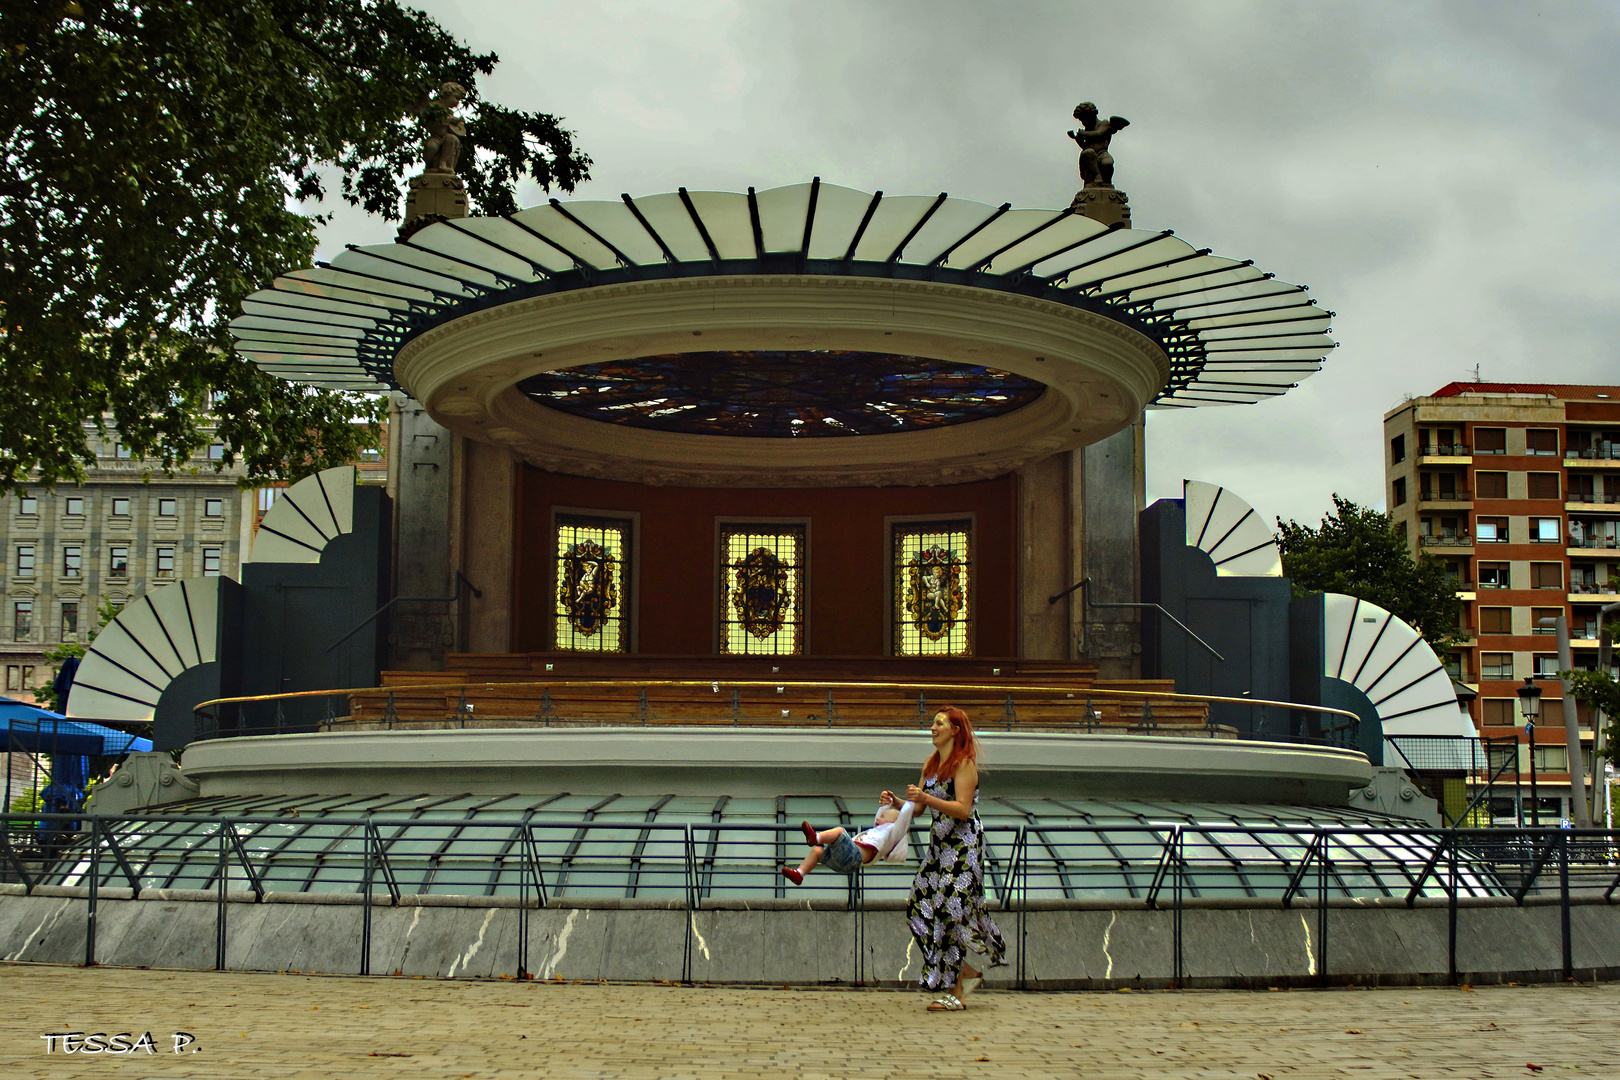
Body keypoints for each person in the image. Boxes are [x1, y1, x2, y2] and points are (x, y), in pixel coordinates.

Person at [896, 706, 1006, 1011]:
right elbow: (917, 810)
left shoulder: (964, 764)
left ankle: (956, 991)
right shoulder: (931, 764)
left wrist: (927, 798)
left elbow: (962, 809)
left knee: (949, 907)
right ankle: (961, 973)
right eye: (933, 723)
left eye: (939, 723)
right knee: (917, 906)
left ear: (955, 730)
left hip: (963, 846)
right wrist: (898, 802)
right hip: (938, 848)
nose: (932, 727)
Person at [782, 792, 916, 883]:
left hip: (854, 856)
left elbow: (904, 817)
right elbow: (881, 812)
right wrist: (888, 801)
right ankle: (799, 874)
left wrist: (912, 799)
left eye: (883, 817)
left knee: (840, 831)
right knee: (817, 851)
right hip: (845, 861)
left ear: (892, 822)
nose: (878, 819)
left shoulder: (894, 831)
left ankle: (815, 837)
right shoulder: (879, 830)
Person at [1066, 102, 1130, 188]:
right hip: (1091, 155)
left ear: (1091, 115)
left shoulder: (1104, 124)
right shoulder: (1088, 129)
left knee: (1107, 163)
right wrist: (1077, 139)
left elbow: (1098, 134)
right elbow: (1085, 147)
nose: (1083, 122)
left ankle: (1107, 182)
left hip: (1103, 153)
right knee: (1087, 152)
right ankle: (1097, 176)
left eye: (1084, 119)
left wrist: (1083, 133)